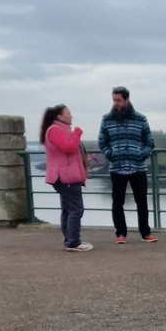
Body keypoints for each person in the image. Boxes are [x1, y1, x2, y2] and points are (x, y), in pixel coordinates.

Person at [98, 86, 158, 244]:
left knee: (142, 202)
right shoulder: (107, 119)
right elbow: (102, 141)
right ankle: (120, 234)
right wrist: (110, 154)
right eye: (113, 100)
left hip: (138, 167)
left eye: (118, 100)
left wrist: (141, 154)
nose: (115, 103)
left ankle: (145, 233)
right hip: (117, 168)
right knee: (117, 203)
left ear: (127, 100)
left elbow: (150, 142)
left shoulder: (140, 119)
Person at [40, 105, 93, 252]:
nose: (71, 116)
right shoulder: (55, 130)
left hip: (66, 176)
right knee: (76, 210)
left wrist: (84, 158)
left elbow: (68, 153)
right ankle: (73, 242)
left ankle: (69, 240)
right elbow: (68, 148)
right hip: (66, 178)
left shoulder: (60, 130)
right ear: (59, 116)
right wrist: (77, 133)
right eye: (68, 114)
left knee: (68, 210)